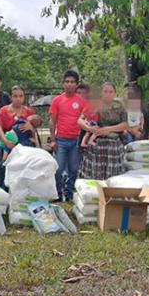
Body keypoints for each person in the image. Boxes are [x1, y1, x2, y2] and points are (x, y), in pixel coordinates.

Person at [49, 70, 87, 201]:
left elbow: (86, 121)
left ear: (77, 85)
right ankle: (58, 194)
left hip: (76, 141)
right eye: (67, 82)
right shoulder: (57, 100)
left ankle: (69, 193)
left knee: (73, 169)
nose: (69, 84)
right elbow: (52, 121)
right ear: (63, 83)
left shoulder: (82, 102)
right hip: (61, 141)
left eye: (72, 82)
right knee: (58, 169)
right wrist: (53, 140)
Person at [78, 83, 128, 180]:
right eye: (105, 91)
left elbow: (125, 125)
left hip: (114, 147)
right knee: (95, 175)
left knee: (114, 176)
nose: (108, 94)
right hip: (96, 146)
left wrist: (108, 129)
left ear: (115, 94)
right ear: (101, 93)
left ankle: (112, 194)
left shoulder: (119, 106)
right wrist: (89, 128)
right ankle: (95, 194)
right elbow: (80, 120)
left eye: (111, 92)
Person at [0, 86, 40, 187]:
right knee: (4, 169)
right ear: (11, 97)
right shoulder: (3, 110)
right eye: (15, 96)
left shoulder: (29, 112)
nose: (18, 98)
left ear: (24, 97)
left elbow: (34, 130)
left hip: (24, 149)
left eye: (21, 96)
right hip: (8, 143)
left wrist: (31, 128)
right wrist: (6, 141)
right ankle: (3, 193)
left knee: (22, 172)